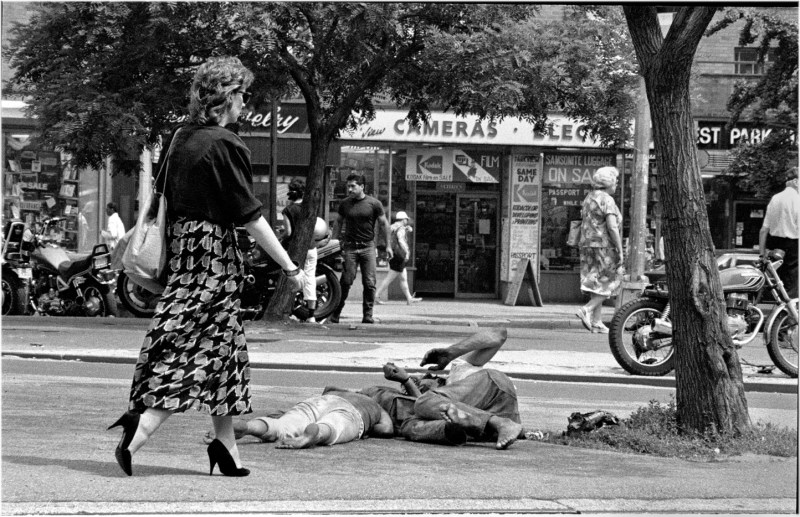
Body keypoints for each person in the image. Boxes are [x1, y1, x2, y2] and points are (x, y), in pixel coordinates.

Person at [107, 56, 306, 478]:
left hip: (183, 250)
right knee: (191, 353)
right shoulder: (226, 143)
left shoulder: (180, 137)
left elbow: (164, 196)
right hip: (213, 256)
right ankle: (140, 427)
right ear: (228, 96)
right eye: (243, 95)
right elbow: (249, 216)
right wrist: (291, 268)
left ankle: (226, 447)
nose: (245, 104)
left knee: (225, 353)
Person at [361, 328, 524, 450]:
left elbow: (500, 333)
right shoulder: (449, 409)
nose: (422, 380)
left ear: (438, 379)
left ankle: (499, 423)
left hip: (495, 388)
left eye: (425, 378)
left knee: (424, 403)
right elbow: (420, 405)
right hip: (500, 418)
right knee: (412, 424)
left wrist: (452, 352)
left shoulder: (459, 369)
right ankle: (496, 424)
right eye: (420, 385)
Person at [204, 387, 394, 449]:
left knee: (282, 424)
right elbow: (386, 429)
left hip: (320, 401)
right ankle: (317, 433)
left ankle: (251, 427)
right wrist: (370, 428)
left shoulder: (340, 390)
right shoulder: (375, 405)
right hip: (351, 412)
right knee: (334, 426)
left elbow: (323, 393)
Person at [329, 174, 392, 324]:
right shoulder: (345, 203)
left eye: (353, 186)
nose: (349, 189)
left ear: (362, 187)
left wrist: (388, 245)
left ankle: (368, 315)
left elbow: (384, 224)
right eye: (348, 186)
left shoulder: (374, 203)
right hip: (350, 247)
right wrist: (334, 243)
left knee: (370, 282)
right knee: (346, 280)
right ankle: (335, 313)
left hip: (368, 247)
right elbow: (338, 222)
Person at [575, 166, 624, 334]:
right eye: (616, 181)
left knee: (596, 282)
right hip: (604, 246)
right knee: (611, 281)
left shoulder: (589, 198)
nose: (617, 184)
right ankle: (586, 310)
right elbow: (611, 226)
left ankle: (596, 321)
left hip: (587, 245)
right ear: (609, 182)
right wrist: (619, 248)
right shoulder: (607, 199)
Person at [282, 178, 319, 322]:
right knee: (310, 278)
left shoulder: (288, 210)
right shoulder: (309, 208)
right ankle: (311, 315)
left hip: (295, 249)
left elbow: (288, 233)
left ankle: (289, 310)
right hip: (311, 247)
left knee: (292, 278)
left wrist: (280, 236)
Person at [759, 166, 799, 298]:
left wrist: (762, 254)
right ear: (796, 182)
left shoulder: (775, 198)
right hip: (794, 246)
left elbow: (764, 230)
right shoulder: (797, 200)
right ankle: (789, 316)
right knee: (793, 285)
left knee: (778, 282)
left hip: (775, 245)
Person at [375, 211, 422, 305]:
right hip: (398, 255)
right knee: (390, 278)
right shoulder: (401, 228)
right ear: (403, 219)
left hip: (392, 254)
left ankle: (409, 298)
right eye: (406, 219)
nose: (407, 221)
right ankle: (376, 295)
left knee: (403, 278)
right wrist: (407, 252)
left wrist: (407, 229)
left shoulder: (392, 226)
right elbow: (401, 241)